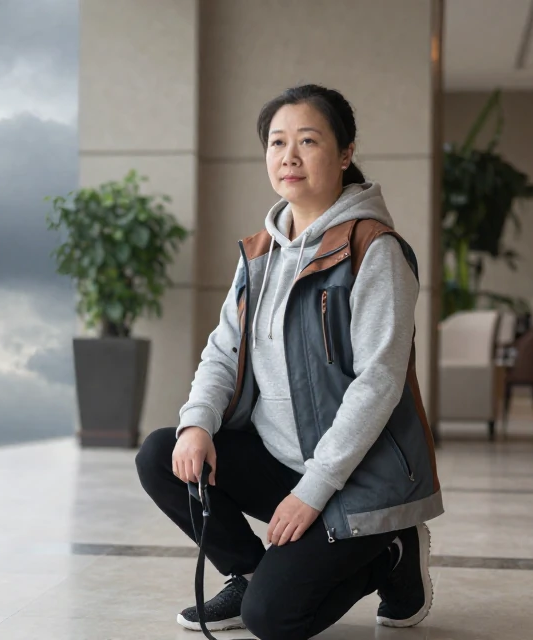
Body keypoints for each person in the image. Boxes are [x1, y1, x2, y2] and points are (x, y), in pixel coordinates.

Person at [135, 84, 443, 639]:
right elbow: (222, 350)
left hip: (358, 477)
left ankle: (390, 551)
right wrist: (198, 423)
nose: (289, 157)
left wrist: (313, 491)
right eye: (277, 143)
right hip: (280, 458)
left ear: (345, 152)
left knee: (273, 621)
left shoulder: (374, 249)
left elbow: (378, 383)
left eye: (308, 141)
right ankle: (249, 571)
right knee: (163, 452)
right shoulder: (259, 253)